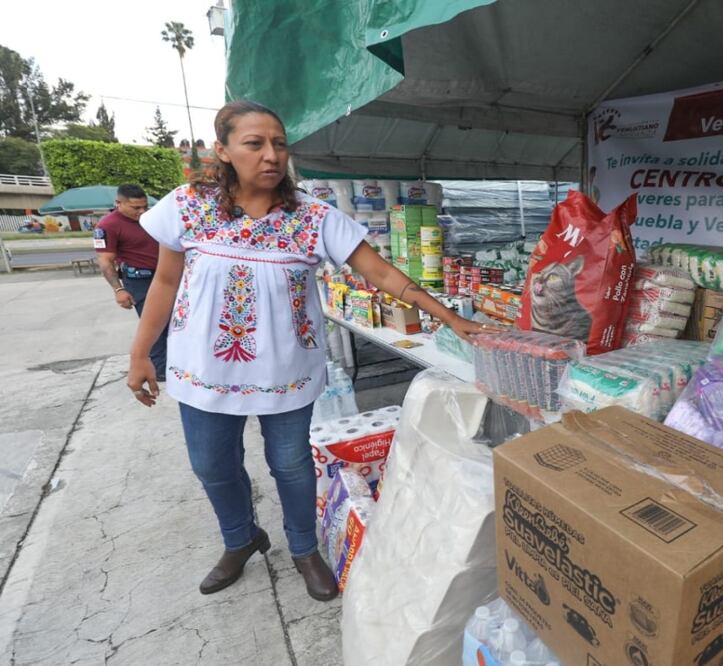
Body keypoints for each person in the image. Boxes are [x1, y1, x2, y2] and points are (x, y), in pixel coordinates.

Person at [126, 100, 492, 601]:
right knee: (212, 464)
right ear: (224, 150)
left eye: (278, 143)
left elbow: (379, 272)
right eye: (254, 144)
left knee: (293, 465)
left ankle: (303, 548)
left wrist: (449, 317)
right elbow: (166, 281)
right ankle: (241, 539)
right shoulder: (187, 205)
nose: (270, 155)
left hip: (286, 371)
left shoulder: (313, 217)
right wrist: (140, 353)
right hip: (203, 370)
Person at [94, 184, 167, 380]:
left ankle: (174, 364)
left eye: (144, 206)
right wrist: (119, 289)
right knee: (155, 326)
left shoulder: (151, 218)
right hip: (139, 281)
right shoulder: (107, 225)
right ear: (118, 203)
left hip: (165, 276)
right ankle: (160, 370)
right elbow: (105, 261)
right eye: (136, 208)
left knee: (174, 323)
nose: (141, 211)